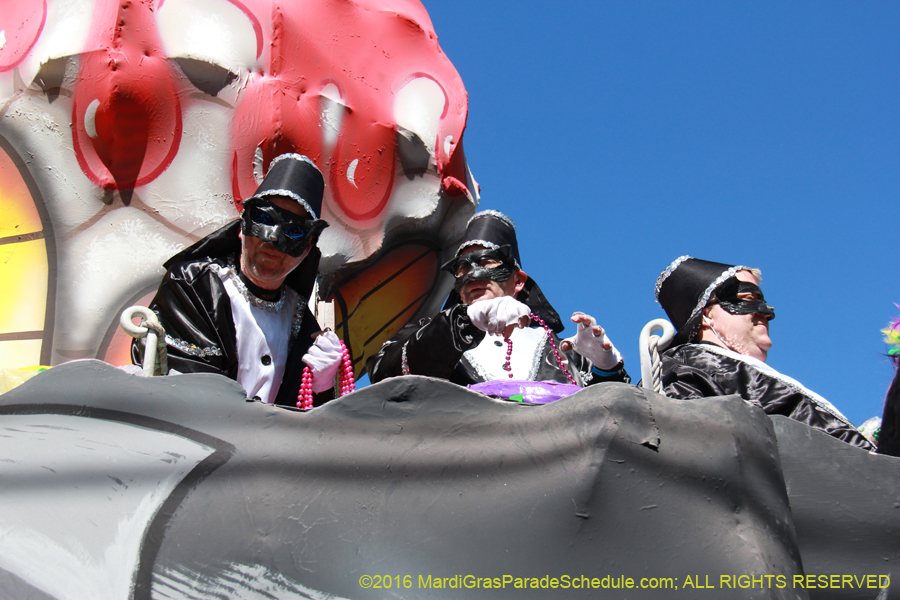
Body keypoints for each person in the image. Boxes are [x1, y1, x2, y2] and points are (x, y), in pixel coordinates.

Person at [133, 153, 344, 407]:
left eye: (295, 231)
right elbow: (183, 398)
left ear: (308, 247)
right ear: (242, 225)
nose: (273, 239)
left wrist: (322, 386)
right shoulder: (194, 287)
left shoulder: (302, 323)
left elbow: (311, 426)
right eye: (264, 219)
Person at [367, 210, 629, 387]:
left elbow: (612, 428)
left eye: (488, 263)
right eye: (463, 269)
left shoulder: (562, 351)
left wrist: (606, 371)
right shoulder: (427, 334)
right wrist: (458, 327)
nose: (474, 277)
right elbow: (384, 375)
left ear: (518, 281)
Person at [655, 255, 873, 450]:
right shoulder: (683, 371)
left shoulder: (723, 367)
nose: (767, 313)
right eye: (749, 300)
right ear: (706, 314)